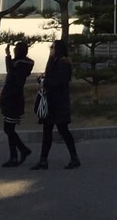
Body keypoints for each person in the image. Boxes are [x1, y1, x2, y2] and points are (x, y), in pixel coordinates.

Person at [31, 39, 80, 171]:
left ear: (58, 49)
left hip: (58, 103)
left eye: (52, 47)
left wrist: (45, 82)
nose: (51, 49)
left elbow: (60, 81)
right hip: (52, 102)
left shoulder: (62, 63)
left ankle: (74, 158)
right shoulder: (54, 62)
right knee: (47, 131)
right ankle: (43, 160)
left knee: (63, 130)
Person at [0, 41, 34, 167]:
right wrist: (8, 56)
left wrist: (8, 56)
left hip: (12, 98)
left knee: (8, 129)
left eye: (16, 50)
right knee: (10, 129)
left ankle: (22, 150)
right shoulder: (26, 63)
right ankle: (13, 157)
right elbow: (11, 67)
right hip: (16, 98)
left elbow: (11, 68)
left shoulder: (19, 64)